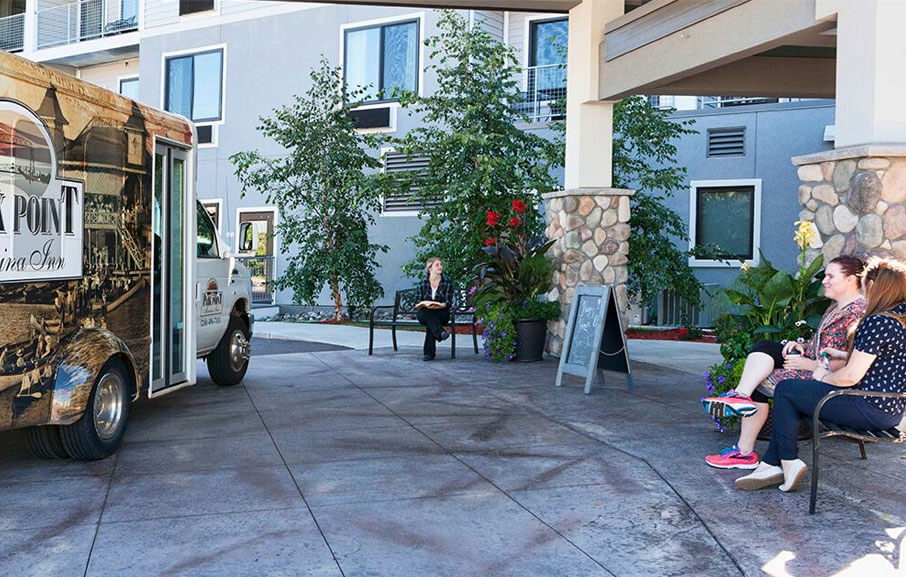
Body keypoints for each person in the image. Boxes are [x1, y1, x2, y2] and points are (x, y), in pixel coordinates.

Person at [735, 257, 906, 492]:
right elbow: (885, 361)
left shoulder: (877, 322)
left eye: (865, 283)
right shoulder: (898, 319)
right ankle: (771, 464)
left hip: (867, 405)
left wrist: (823, 376)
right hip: (889, 407)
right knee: (793, 394)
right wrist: (843, 355)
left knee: (787, 389)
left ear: (876, 287)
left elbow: (849, 378)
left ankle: (786, 461)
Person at [702, 255, 866, 469]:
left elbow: (851, 361)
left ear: (851, 280)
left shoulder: (857, 313)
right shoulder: (834, 308)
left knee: (762, 383)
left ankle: (744, 452)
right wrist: (802, 346)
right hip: (812, 363)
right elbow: (821, 343)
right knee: (764, 347)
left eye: (830, 276)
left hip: (827, 377)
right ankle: (739, 396)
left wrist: (812, 365)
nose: (824, 280)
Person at [415, 256, 453, 361]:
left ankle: (429, 354)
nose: (440, 267)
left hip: (441, 312)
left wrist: (441, 305)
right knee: (427, 314)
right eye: (437, 265)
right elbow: (417, 304)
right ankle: (440, 333)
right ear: (430, 268)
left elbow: (449, 302)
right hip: (425, 312)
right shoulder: (422, 283)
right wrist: (425, 303)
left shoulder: (447, 282)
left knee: (431, 322)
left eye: (441, 264)